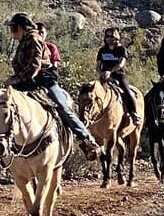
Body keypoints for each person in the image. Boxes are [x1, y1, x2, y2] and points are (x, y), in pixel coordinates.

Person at [5, 12, 99, 161]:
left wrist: (15, 79)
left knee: (62, 107)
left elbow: (34, 66)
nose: (12, 32)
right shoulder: (23, 42)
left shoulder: (33, 39)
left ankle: (87, 139)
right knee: (2, 107)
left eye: (14, 28)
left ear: (22, 28)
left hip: (43, 82)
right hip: (26, 83)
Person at [96, 27, 140, 127]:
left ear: (117, 37)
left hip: (118, 76)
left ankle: (134, 114)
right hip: (105, 77)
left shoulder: (121, 49)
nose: (109, 39)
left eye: (112, 36)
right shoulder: (102, 50)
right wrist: (102, 73)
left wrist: (110, 71)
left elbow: (121, 64)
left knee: (127, 92)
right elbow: (97, 66)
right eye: (107, 36)